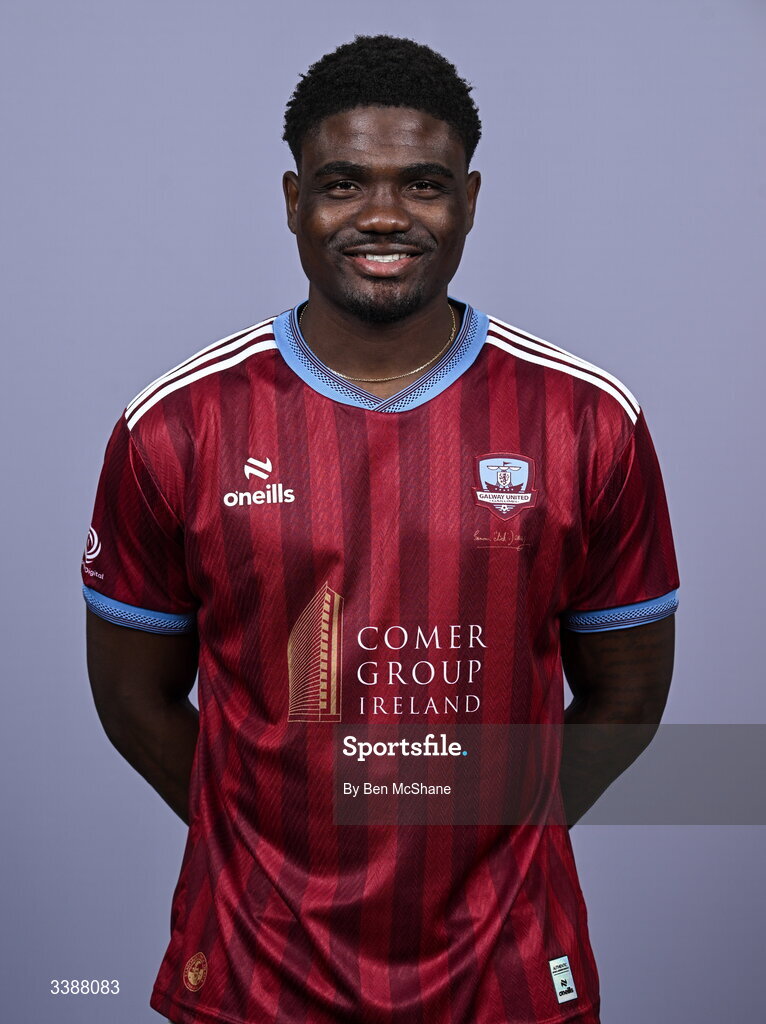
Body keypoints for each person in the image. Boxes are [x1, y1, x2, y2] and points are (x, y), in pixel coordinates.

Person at [82, 34, 678, 1024]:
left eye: (425, 184)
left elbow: (629, 689)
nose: (385, 216)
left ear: (472, 200)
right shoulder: (178, 424)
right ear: (291, 200)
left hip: (507, 971)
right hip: (253, 967)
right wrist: (266, 843)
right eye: (344, 183)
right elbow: (132, 693)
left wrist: (498, 839)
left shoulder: (584, 418)